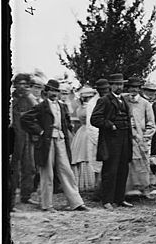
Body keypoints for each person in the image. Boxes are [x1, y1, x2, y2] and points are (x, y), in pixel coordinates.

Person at [20, 79, 88, 212]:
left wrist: (68, 130)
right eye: (52, 90)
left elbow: (66, 122)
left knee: (66, 170)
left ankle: (76, 202)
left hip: (60, 140)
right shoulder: (42, 106)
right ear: (47, 91)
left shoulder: (62, 106)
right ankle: (47, 205)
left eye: (56, 91)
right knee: (47, 172)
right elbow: (25, 119)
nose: (54, 93)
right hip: (46, 141)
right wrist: (40, 131)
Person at [91, 74, 134, 210]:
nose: (119, 87)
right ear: (111, 86)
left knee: (123, 169)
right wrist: (110, 125)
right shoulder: (104, 100)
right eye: (116, 84)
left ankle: (119, 199)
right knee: (110, 171)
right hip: (111, 141)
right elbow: (95, 119)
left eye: (121, 84)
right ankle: (107, 200)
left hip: (124, 139)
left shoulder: (124, 100)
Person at [124, 77, 156, 198]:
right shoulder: (123, 100)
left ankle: (144, 189)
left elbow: (151, 124)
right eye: (131, 87)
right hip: (125, 137)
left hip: (140, 139)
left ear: (139, 89)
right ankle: (127, 190)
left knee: (142, 164)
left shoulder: (145, 104)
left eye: (136, 87)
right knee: (127, 163)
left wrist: (144, 138)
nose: (133, 90)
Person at [10, 73, 38, 206]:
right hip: (14, 136)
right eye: (19, 83)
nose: (22, 86)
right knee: (13, 167)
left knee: (29, 167)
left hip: (27, 136)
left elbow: (36, 115)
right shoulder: (11, 99)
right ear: (15, 85)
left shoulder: (29, 99)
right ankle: (10, 198)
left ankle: (26, 195)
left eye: (24, 84)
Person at [68, 86, 97, 191]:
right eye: (88, 97)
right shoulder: (88, 108)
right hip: (87, 131)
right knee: (87, 155)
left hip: (82, 131)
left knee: (84, 155)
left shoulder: (80, 108)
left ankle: (85, 182)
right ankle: (89, 183)